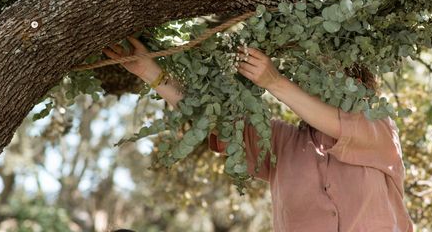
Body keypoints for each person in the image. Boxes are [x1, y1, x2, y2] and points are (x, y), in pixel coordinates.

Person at [103, 36, 414, 231]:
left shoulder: (378, 126)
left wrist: (274, 81)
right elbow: (212, 119)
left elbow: (339, 124)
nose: (322, 80)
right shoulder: (282, 142)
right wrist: (150, 73)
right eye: (316, 72)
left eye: (337, 75)